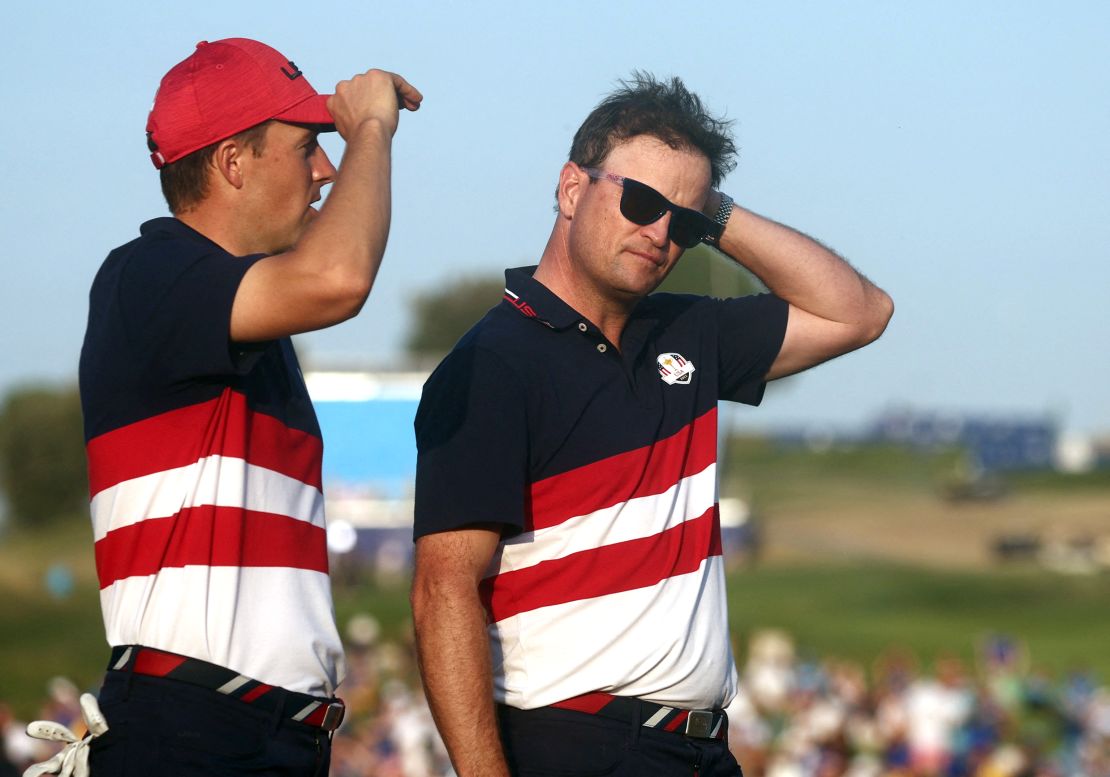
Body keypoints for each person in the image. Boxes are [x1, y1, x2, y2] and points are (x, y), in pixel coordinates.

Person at [411, 73, 893, 777]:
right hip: (573, 740)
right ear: (571, 189)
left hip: (700, 748)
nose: (661, 232)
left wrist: (714, 210)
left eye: (685, 224)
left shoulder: (688, 329)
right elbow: (442, 590)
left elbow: (860, 312)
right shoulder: (492, 362)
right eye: (640, 201)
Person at [76, 37, 420, 776]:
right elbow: (338, 277)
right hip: (195, 727)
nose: (326, 170)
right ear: (233, 163)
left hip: (252, 730)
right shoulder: (150, 273)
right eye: (307, 148)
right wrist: (370, 130)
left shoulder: (238, 318)